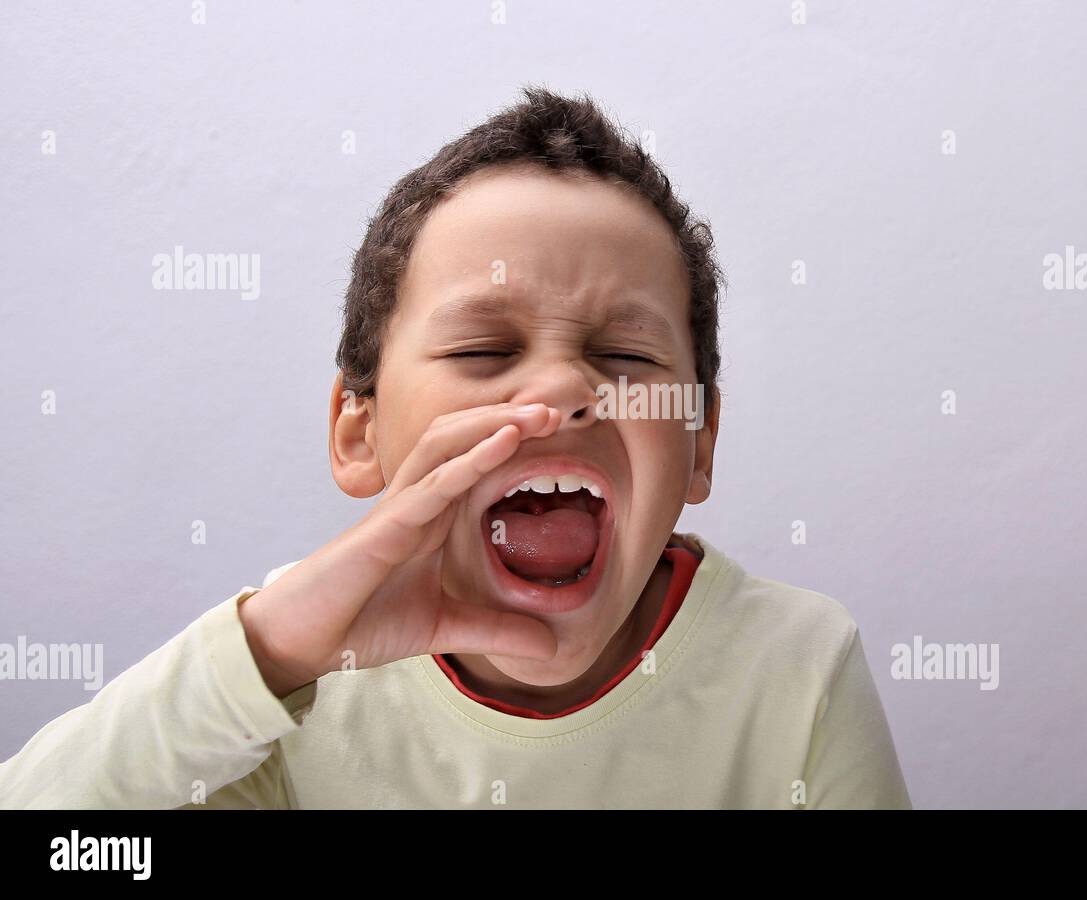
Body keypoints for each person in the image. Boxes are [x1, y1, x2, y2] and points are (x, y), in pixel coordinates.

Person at [0, 86, 911, 809]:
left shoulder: (798, 670)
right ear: (360, 436)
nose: (560, 394)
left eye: (626, 357)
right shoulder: (287, 693)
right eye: (484, 351)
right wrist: (269, 652)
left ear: (699, 443)